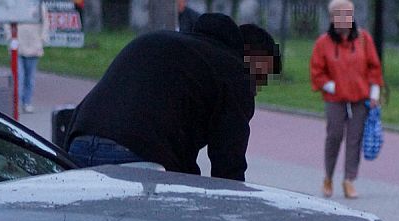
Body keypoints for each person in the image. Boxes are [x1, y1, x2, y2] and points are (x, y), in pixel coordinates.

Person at [65, 14, 279, 182]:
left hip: (78, 144)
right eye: (260, 77)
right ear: (252, 57)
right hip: (137, 157)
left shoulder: (162, 41)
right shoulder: (234, 72)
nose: (257, 88)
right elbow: (228, 165)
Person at [309, 0, 383, 199]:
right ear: (332, 18)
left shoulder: (364, 39)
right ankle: (328, 177)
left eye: (347, 15)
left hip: (360, 98)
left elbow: (374, 68)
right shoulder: (323, 43)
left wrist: (374, 94)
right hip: (335, 98)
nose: (344, 19)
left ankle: (349, 179)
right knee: (334, 136)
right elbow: (317, 72)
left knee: (355, 138)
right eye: (339, 15)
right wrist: (333, 86)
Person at [17, 3, 50, 113]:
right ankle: (16, 102)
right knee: (19, 76)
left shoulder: (39, 5)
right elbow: (8, 22)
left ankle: (27, 102)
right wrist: (10, 37)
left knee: (29, 77)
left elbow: (45, 22)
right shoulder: (15, 4)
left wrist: (42, 39)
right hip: (18, 44)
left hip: (34, 44)